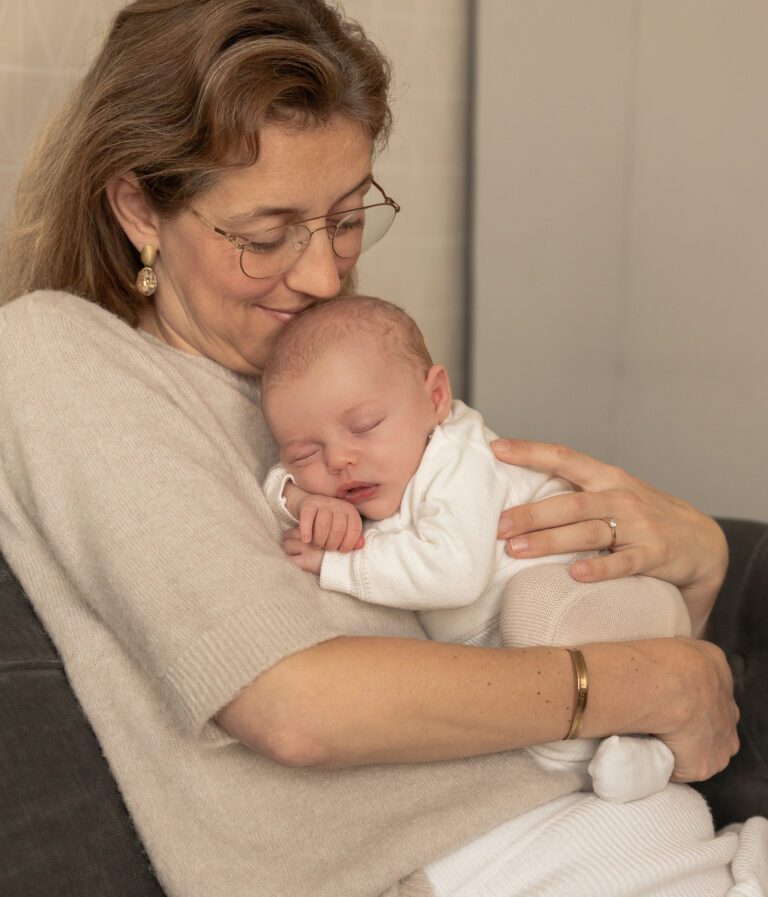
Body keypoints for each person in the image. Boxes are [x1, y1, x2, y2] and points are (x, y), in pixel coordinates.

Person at [0, 0, 764, 897]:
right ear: (137, 205)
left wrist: (693, 574)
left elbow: (544, 639)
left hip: (654, 854)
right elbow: (294, 706)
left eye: (349, 219)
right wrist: (641, 679)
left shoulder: (343, 375)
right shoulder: (59, 359)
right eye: (265, 235)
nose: (320, 276)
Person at [261, 294, 688, 804]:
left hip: (618, 609)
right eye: (307, 452)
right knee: (520, 692)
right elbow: (270, 482)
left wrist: (340, 565)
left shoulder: (457, 460)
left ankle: (633, 745)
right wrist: (301, 497)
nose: (341, 459)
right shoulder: (371, 476)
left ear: (436, 397)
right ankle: (635, 751)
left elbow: (452, 574)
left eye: (365, 426)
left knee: (534, 614)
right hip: (554, 660)